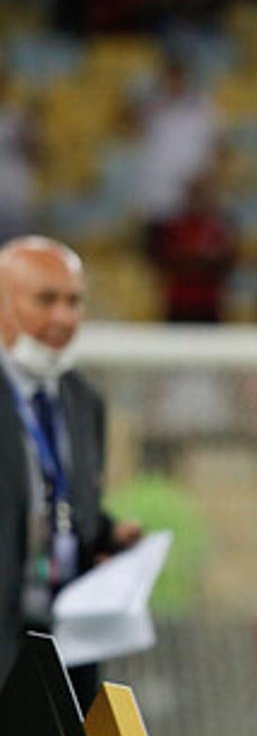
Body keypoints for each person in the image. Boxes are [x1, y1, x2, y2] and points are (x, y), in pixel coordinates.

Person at [0, 236, 139, 706]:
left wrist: (106, 535)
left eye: (73, 302)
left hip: (63, 642)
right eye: (46, 299)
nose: (62, 317)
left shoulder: (84, 401)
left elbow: (63, 503)